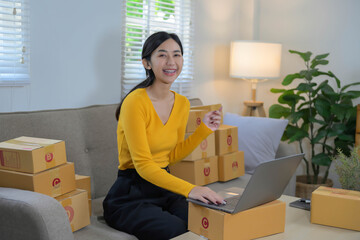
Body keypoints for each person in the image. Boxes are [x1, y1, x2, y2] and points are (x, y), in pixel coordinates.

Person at [103, 31, 224, 240]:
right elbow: (143, 166)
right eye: (162, 55)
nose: (171, 62)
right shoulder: (135, 102)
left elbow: (171, 157)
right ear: (147, 63)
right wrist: (190, 189)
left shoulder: (182, 103)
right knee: (174, 229)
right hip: (130, 194)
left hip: (163, 186)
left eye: (177, 55)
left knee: (205, 221)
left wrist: (204, 130)